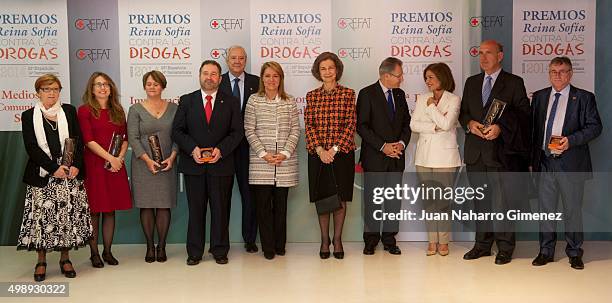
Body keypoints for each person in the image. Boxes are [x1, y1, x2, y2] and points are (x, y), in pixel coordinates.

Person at [458, 40, 530, 265]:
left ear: (500, 56)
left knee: (503, 203)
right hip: (475, 154)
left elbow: (523, 115)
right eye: (480, 53)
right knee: (481, 203)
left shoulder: (514, 82)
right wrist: (469, 124)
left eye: (488, 53)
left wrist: (500, 127)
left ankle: (505, 247)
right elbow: (463, 113)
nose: (483, 57)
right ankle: (482, 245)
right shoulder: (471, 82)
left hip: (501, 154)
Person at [17, 74, 93, 281]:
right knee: (42, 219)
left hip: (70, 175)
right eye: (46, 89)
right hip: (44, 175)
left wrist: (76, 165)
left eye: (55, 89)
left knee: (66, 217)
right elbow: (31, 147)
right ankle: (41, 261)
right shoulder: (28, 115)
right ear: (38, 93)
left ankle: (65, 259)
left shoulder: (68, 111)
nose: (51, 93)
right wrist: (53, 168)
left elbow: (77, 140)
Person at [530, 57, 602, 270]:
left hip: (570, 163)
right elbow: (534, 130)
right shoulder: (540, 97)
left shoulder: (584, 97)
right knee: (546, 210)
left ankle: (574, 251)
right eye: (554, 71)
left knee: (572, 210)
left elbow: (595, 127)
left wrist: (571, 141)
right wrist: (532, 161)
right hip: (545, 162)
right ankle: (545, 251)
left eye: (562, 71)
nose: (558, 75)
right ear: (549, 73)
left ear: (570, 74)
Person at [172, 60, 243, 265]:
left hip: (221, 166)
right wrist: (192, 149)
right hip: (194, 165)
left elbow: (237, 132)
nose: (209, 77)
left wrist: (221, 150)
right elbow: (177, 130)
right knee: (196, 211)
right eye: (205, 73)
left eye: (213, 74)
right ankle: (194, 252)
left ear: (220, 79)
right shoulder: (187, 100)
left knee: (221, 211)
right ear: (199, 76)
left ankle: (219, 250)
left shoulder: (230, 101)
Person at [244, 61, 299, 260]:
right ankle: (268, 247)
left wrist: (284, 153)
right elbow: (249, 130)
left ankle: (279, 245)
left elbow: (294, 130)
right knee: (263, 208)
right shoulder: (253, 100)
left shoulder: (289, 101)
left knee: (281, 207)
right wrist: (263, 154)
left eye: (275, 76)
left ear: (280, 79)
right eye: (267, 76)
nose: (271, 80)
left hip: (284, 163)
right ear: (262, 79)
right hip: (261, 163)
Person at [357, 57, 411, 256]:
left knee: (393, 201)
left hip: (397, 157)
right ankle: (370, 241)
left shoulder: (400, 94)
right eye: (399, 75)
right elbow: (361, 126)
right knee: (373, 200)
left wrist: (401, 144)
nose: (401, 79)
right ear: (386, 75)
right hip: (375, 157)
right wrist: (383, 146)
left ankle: (389, 240)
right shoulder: (366, 93)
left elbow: (407, 123)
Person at [305, 52, 356, 259]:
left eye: (331, 68)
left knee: (341, 198)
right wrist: (320, 151)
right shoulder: (311, 96)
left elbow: (350, 124)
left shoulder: (348, 94)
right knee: (323, 198)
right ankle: (325, 240)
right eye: (323, 68)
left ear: (337, 70)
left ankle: (338, 239)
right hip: (318, 155)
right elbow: (309, 126)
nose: (327, 72)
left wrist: (333, 150)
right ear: (318, 71)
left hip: (341, 154)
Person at [78, 72, 132, 268]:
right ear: (91, 89)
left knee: (110, 211)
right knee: (95, 211)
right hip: (95, 166)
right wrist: (110, 158)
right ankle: (94, 254)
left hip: (115, 167)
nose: (103, 88)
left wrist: (119, 159)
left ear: (111, 89)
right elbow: (88, 140)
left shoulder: (118, 110)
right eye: (98, 84)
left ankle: (108, 251)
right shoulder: (84, 111)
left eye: (106, 84)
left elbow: (125, 138)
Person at [410, 63, 461, 256]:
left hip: (445, 158)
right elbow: (413, 124)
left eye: (431, 77)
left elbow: (447, 124)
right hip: (423, 157)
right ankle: (432, 240)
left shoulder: (453, 99)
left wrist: (431, 109)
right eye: (426, 77)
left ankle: (444, 241)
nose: (427, 81)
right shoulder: (422, 98)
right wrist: (434, 127)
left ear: (442, 77)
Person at [127, 71, 178, 263]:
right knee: (146, 206)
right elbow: (133, 137)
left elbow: (179, 135)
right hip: (143, 165)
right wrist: (148, 160)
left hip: (167, 163)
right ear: (144, 86)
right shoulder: (135, 109)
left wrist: (172, 157)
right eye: (148, 84)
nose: (152, 87)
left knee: (164, 206)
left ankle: (162, 246)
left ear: (162, 86)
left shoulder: (174, 108)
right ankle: (150, 246)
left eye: (156, 84)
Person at [219, 45, 260, 253]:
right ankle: (221, 242)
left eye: (241, 58)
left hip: (249, 149)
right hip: (224, 150)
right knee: (221, 199)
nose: (237, 61)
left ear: (245, 61)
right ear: (227, 60)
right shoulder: (218, 81)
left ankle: (250, 239)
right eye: (233, 58)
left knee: (249, 196)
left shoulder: (256, 82)